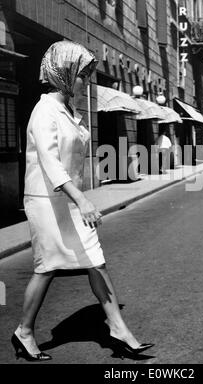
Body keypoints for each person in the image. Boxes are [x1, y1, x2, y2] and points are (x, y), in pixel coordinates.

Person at [11, 41, 153, 362]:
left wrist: (80, 197)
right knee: (46, 267)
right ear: (63, 72)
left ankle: (118, 328)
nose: (85, 81)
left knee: (95, 258)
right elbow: (50, 163)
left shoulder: (71, 111)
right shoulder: (44, 110)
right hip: (46, 202)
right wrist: (82, 199)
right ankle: (25, 331)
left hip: (70, 199)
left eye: (88, 75)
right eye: (81, 75)